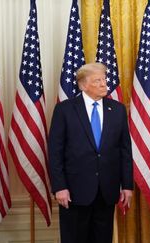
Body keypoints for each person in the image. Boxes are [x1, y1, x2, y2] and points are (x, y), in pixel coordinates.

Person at [48, 62, 133, 243]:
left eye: (104, 79)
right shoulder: (65, 110)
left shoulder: (117, 110)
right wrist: (59, 187)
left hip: (107, 191)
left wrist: (127, 185)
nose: (104, 84)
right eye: (97, 81)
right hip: (73, 191)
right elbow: (55, 152)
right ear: (83, 85)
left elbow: (125, 150)